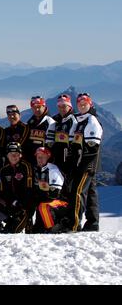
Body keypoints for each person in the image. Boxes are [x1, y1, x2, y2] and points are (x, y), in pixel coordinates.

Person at [59, 93, 103, 232]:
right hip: (79, 163)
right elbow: (73, 145)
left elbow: (93, 148)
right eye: (79, 103)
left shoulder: (92, 121)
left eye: (85, 103)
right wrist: (71, 163)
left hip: (87, 164)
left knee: (77, 192)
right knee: (90, 193)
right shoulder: (79, 121)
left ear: (90, 104)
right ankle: (92, 223)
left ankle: (74, 223)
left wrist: (84, 166)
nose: (82, 105)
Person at [0, 142, 33, 233]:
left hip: (25, 203)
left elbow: (29, 188)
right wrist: (12, 202)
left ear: (20, 155)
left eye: (16, 154)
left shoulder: (26, 166)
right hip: (11, 203)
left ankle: (27, 221)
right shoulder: (4, 170)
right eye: (11, 154)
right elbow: (4, 190)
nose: (14, 157)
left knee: (13, 231)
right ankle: (1, 223)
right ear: (7, 156)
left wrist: (22, 204)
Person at [31, 147, 68, 233]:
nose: (40, 159)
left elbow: (54, 194)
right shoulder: (36, 169)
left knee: (43, 205)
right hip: (46, 202)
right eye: (38, 157)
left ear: (48, 157)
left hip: (61, 202)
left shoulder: (53, 170)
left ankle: (52, 227)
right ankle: (40, 227)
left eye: (43, 157)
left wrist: (39, 195)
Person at [49, 94, 77, 173]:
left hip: (67, 160)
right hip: (55, 159)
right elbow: (49, 138)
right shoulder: (55, 119)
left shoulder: (74, 120)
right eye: (59, 106)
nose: (62, 109)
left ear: (70, 106)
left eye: (64, 106)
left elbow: (73, 144)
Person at [26, 96, 56, 165]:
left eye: (39, 107)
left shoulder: (50, 122)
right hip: (31, 159)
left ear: (44, 106)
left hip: (44, 160)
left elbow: (50, 145)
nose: (36, 109)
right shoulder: (30, 122)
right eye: (34, 107)